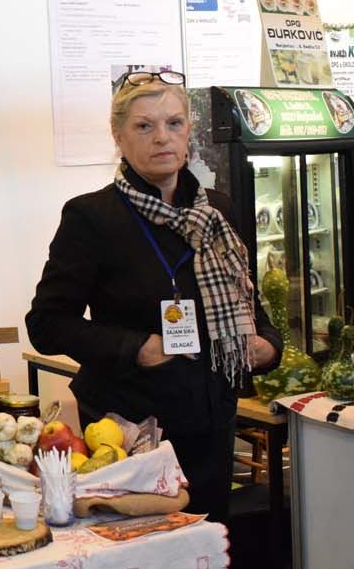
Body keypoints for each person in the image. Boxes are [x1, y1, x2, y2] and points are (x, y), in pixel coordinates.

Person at [26, 71, 280, 521]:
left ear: (189, 131)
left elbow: (246, 297)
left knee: (206, 542)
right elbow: (46, 324)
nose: (162, 137)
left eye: (174, 123)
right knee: (145, 550)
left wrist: (268, 343)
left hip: (211, 421)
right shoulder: (92, 217)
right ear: (119, 136)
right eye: (144, 126)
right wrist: (135, 347)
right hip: (129, 427)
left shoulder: (216, 210)